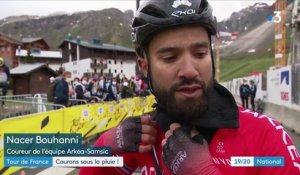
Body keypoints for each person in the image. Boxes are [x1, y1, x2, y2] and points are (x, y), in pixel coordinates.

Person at [80, 0, 300, 174]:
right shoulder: (143, 137)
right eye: (170, 57)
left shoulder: (265, 136)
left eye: (200, 54)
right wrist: (104, 148)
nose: (189, 70)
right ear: (144, 67)